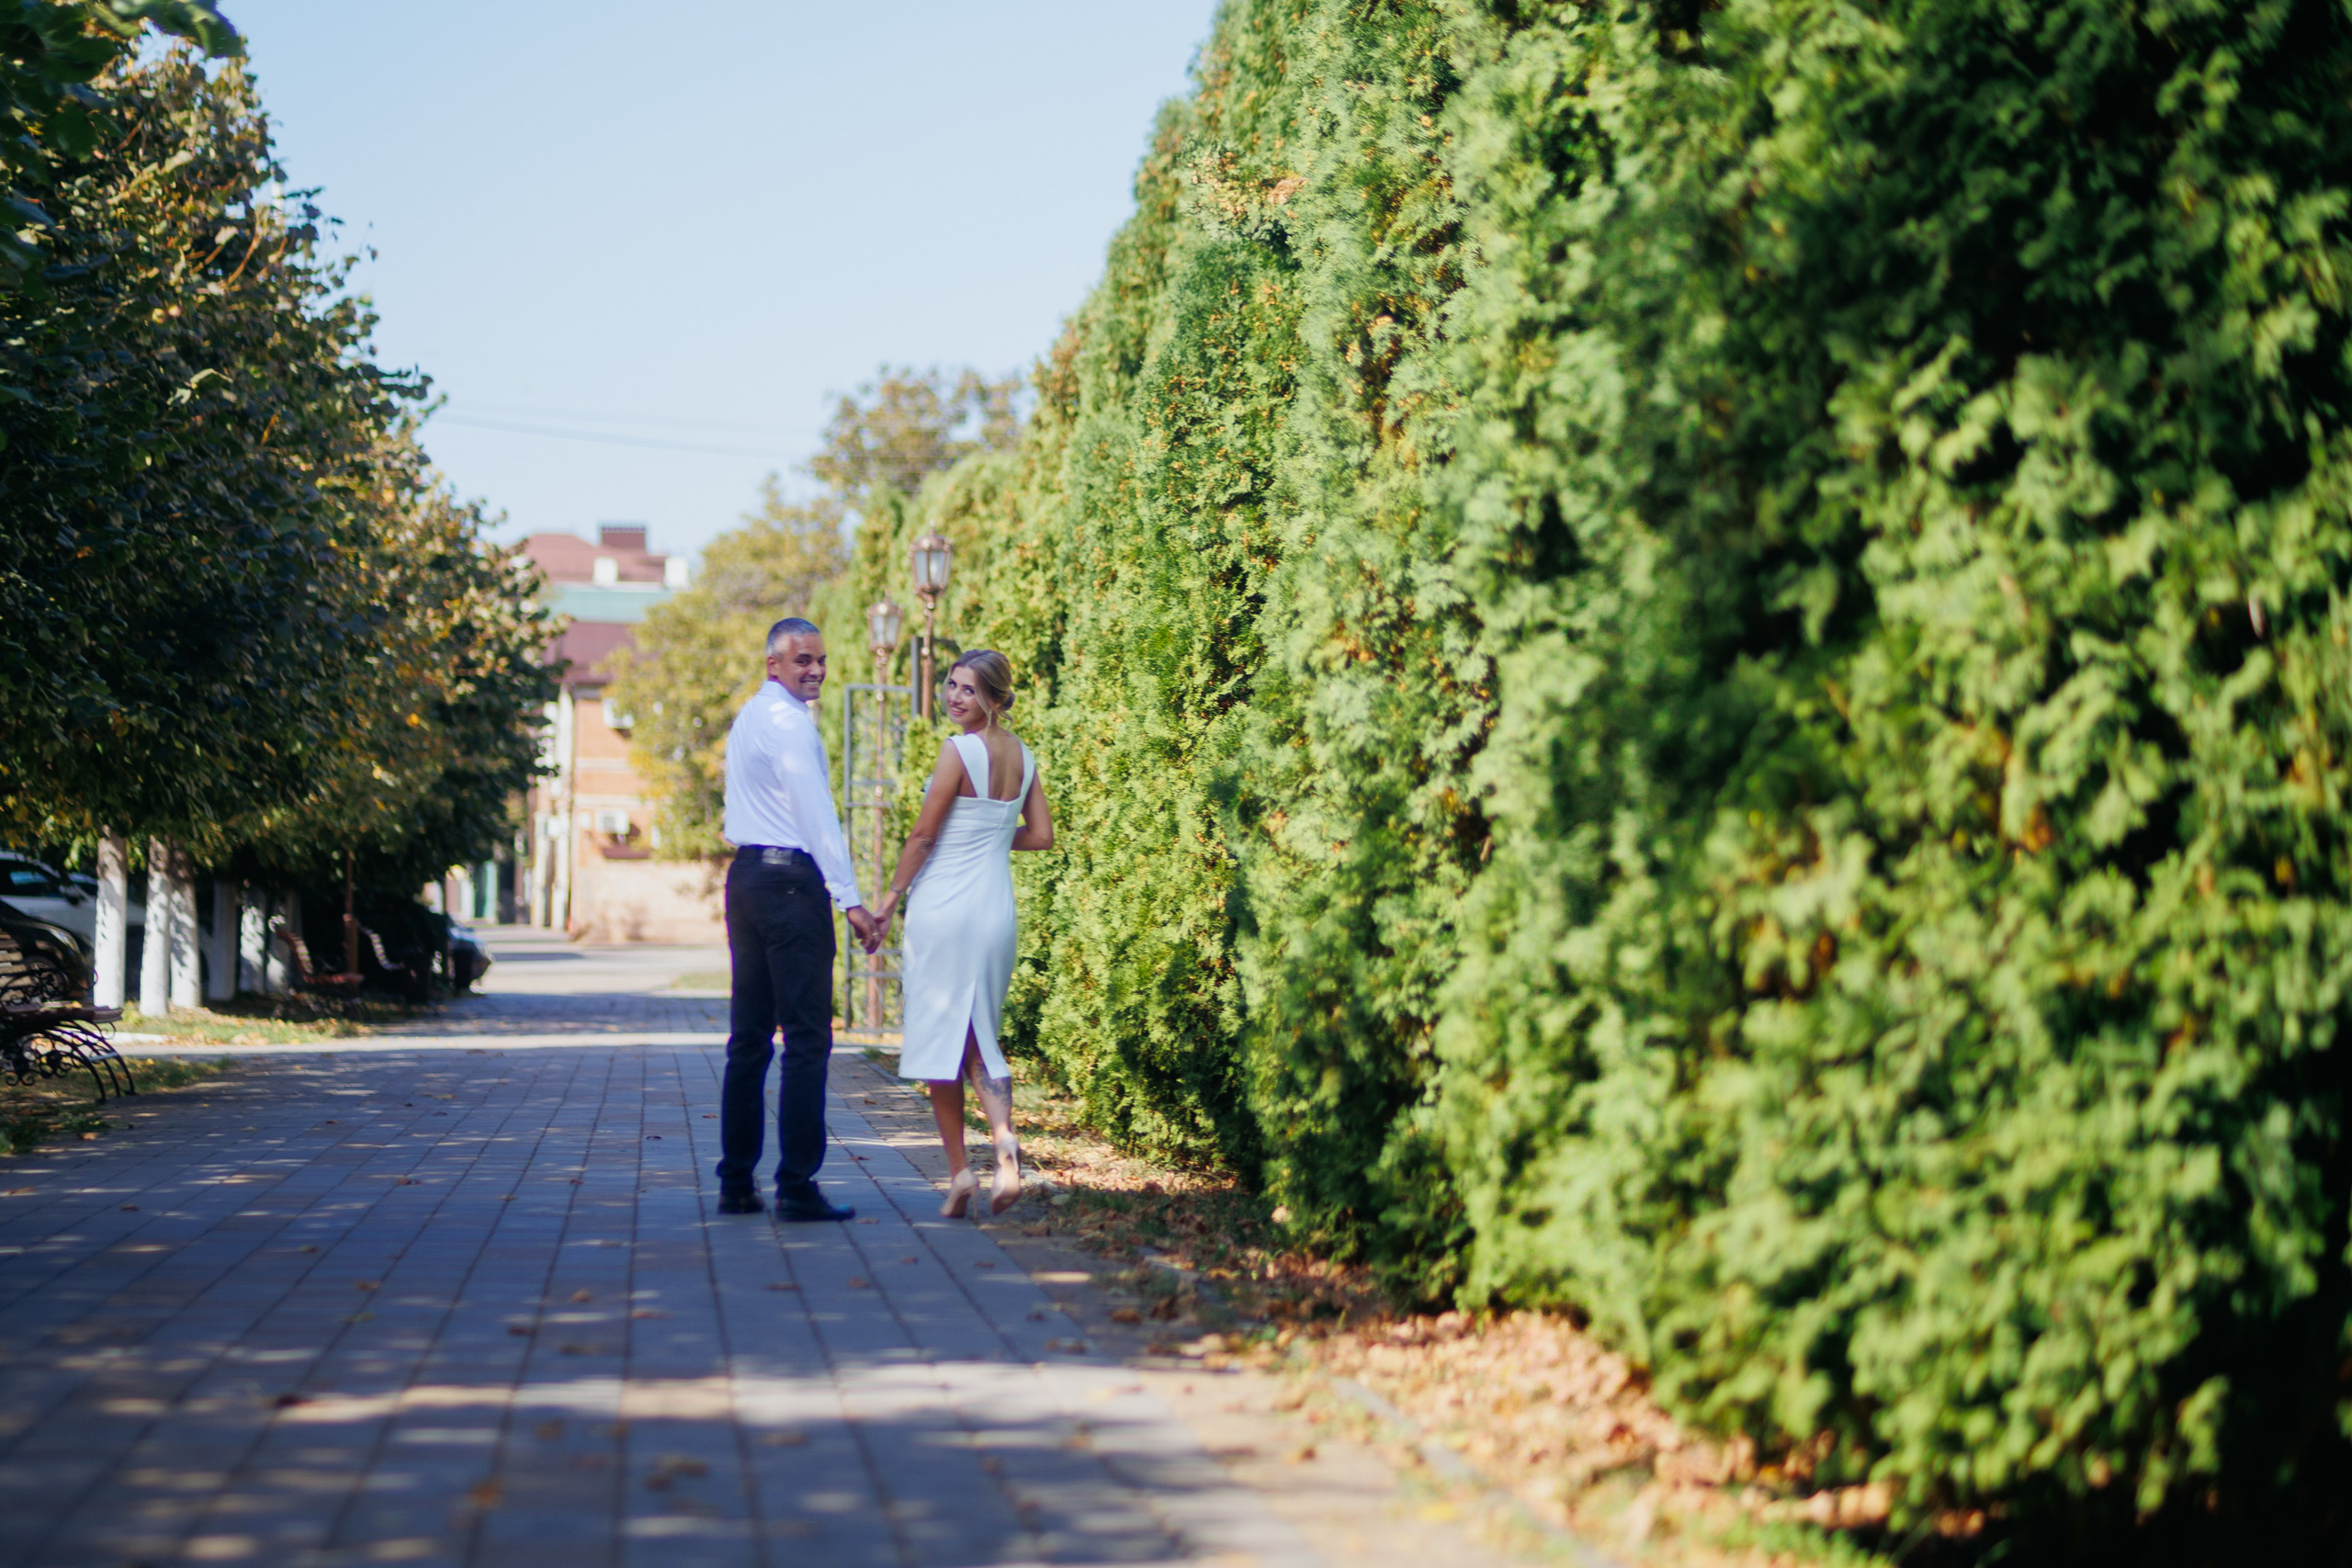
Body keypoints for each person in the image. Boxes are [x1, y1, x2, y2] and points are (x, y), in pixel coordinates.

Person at [872, 649, 1056, 1217]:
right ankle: (989, 1158)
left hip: (945, 907)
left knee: (940, 1039)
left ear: (996, 699)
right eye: (951, 685)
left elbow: (923, 836)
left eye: (969, 690)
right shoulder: (1023, 756)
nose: (954, 697)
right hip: (995, 908)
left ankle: (967, 1166)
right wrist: (991, 839)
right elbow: (1042, 835)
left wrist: (889, 897)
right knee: (979, 1032)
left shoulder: (958, 751)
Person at [715, 616, 882, 1220]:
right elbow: (817, 816)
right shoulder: (788, 724)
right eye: (802, 660)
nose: (814, 670)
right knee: (808, 1039)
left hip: (747, 877)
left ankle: (736, 1181)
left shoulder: (750, 717)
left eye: (821, 659)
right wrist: (852, 899)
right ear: (774, 665)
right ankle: (795, 1185)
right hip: (789, 884)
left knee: (750, 1038)